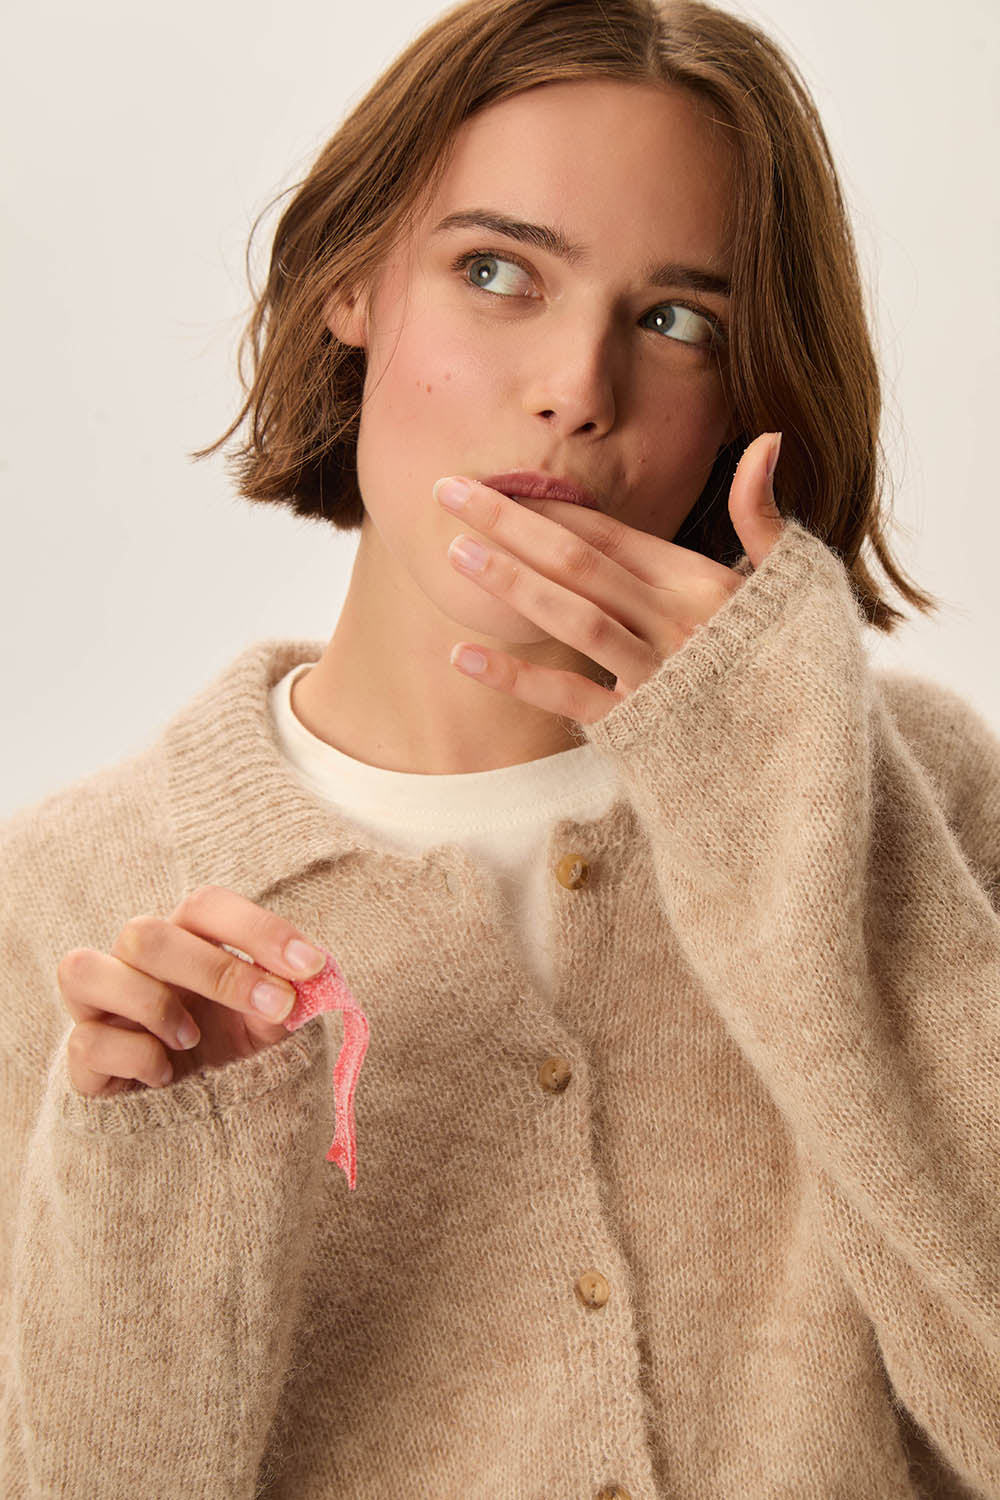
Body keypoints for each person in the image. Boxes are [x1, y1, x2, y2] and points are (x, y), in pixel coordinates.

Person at [2, 0, 998, 1494]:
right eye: (495, 272)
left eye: (677, 321)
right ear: (352, 284)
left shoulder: (909, 790)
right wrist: (167, 1202)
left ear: (746, 396)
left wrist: (783, 809)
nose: (577, 390)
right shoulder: (59, 901)